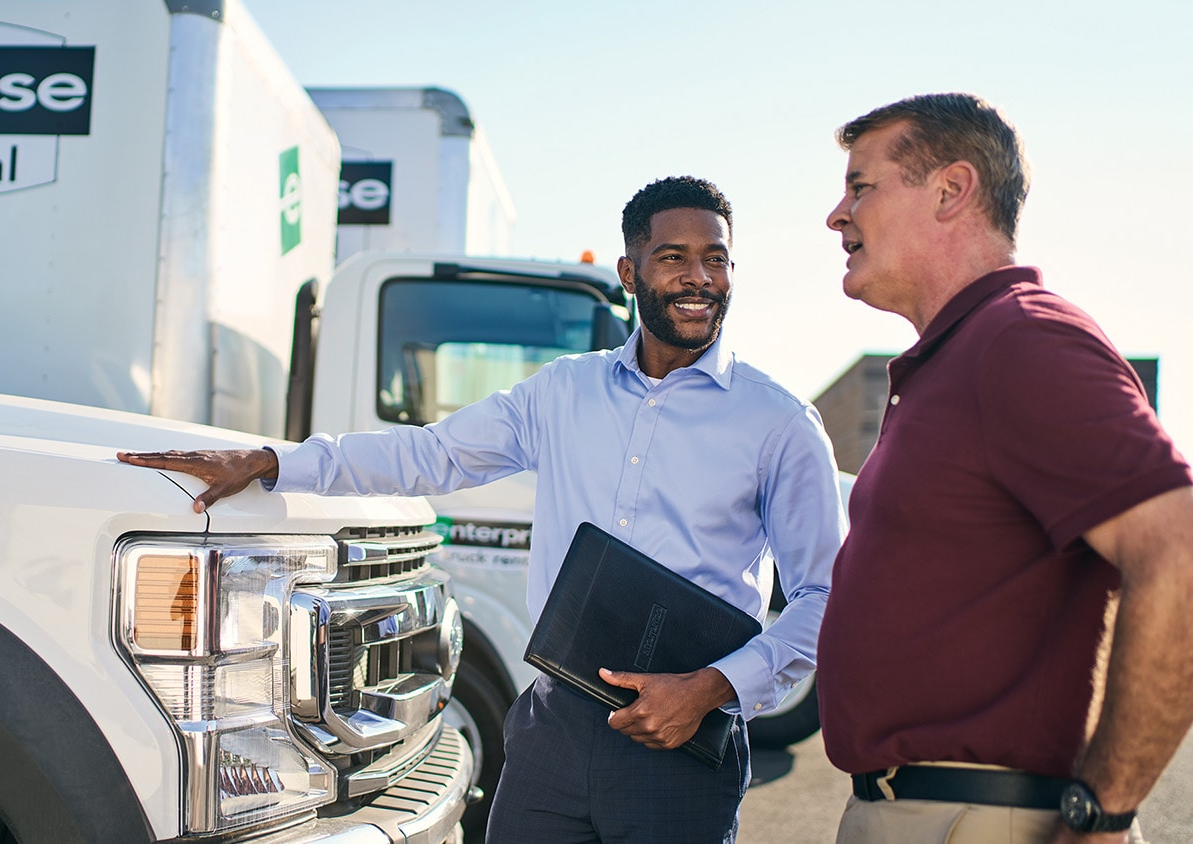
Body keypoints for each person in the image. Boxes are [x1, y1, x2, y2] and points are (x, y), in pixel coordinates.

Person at [119, 176, 846, 843]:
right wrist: (275, 462)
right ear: (630, 273)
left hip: (681, 743)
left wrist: (711, 690)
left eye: (716, 260)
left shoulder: (778, 423)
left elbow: (828, 599)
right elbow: (428, 456)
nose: (698, 278)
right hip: (553, 729)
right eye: (674, 257)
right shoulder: (563, 391)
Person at [816, 92, 1193, 844]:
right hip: (923, 812)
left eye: (862, 186)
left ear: (952, 191)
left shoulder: (1022, 341)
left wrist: (1102, 813)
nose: (837, 214)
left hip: (977, 820)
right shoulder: (961, 356)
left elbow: (1180, 555)